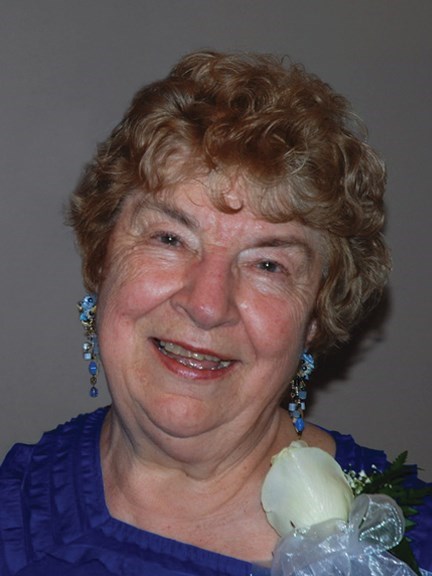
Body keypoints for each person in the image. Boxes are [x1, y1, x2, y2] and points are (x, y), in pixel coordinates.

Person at [0, 51, 430, 575]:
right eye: (170, 238)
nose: (207, 306)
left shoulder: (408, 549)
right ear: (102, 259)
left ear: (316, 317)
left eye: (268, 265)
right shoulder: (15, 506)